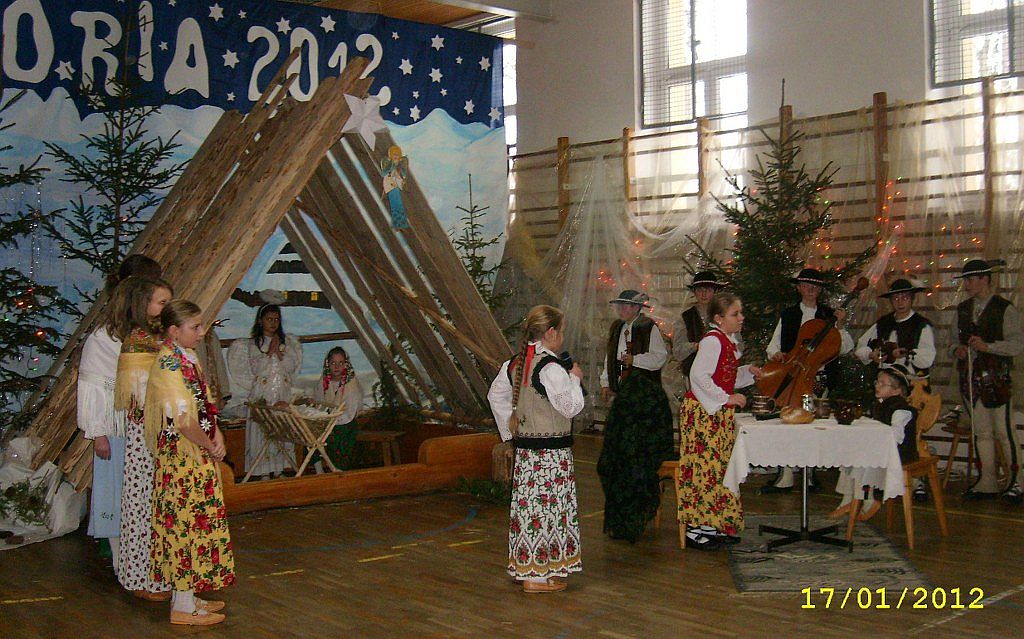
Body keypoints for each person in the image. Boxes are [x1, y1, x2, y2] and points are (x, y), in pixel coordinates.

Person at [145, 300, 235, 626]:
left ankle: (187, 595)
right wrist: (209, 444)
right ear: (174, 330)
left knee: (197, 525)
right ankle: (182, 605)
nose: (201, 332)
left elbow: (204, 405)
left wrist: (216, 433)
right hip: (182, 459)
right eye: (194, 327)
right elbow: (183, 420)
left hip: (195, 455)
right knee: (185, 527)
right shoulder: (168, 365)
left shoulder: (187, 357)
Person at [487, 305, 584, 593]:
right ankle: (536, 577)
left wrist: (510, 433)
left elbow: (495, 396)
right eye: (561, 331)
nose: (562, 337)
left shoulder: (515, 363)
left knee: (530, 510)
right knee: (548, 511)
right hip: (551, 456)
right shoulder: (551, 367)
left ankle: (530, 569)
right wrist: (575, 378)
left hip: (528, 455)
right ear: (551, 332)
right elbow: (570, 407)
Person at [77, 261, 158, 577]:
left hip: (145, 427)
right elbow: (92, 387)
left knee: (142, 495)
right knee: (116, 492)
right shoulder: (104, 339)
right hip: (117, 428)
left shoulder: (147, 335)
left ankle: (143, 561)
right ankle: (121, 561)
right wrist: (98, 432)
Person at [678, 292, 762, 550]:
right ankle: (696, 528)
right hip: (703, 414)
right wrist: (726, 398)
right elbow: (699, 377)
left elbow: (723, 376)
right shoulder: (713, 341)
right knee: (704, 468)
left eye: (740, 313)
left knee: (717, 469)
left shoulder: (726, 341)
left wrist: (748, 373)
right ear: (719, 318)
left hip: (715, 413)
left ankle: (712, 523)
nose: (741, 318)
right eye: (735, 314)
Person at [762, 267, 853, 494]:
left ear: (820, 289)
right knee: (787, 423)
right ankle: (785, 474)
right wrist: (776, 354)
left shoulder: (830, 315)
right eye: (805, 285)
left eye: (815, 285)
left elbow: (846, 347)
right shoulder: (789, 314)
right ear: (799, 288)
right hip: (793, 375)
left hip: (818, 377)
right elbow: (773, 345)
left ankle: (810, 474)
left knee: (814, 425)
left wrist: (840, 326)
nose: (810, 289)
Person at [112, 276, 173, 600]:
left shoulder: (156, 337)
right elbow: (138, 394)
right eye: (161, 302)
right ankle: (141, 578)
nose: (166, 307)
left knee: (156, 504)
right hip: (147, 432)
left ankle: (156, 577)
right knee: (143, 504)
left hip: (160, 429)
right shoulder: (138, 340)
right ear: (143, 304)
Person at [597, 289, 674, 543]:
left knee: (637, 459)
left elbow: (659, 358)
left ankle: (637, 514)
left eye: (627, 306)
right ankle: (620, 516)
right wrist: (607, 382)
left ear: (637, 308)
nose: (622, 310)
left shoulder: (648, 328)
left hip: (644, 404)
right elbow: (609, 357)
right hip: (624, 401)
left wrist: (635, 360)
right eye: (620, 306)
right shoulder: (617, 329)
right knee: (616, 459)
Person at [950, 259, 1023, 502]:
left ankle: (1018, 481)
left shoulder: (1004, 308)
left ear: (985, 279)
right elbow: (952, 342)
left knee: (1004, 431)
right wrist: (958, 350)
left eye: (971, 280)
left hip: (997, 379)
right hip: (971, 378)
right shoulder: (962, 309)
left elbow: (1017, 344)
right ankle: (987, 481)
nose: (967, 285)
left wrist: (989, 347)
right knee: (981, 432)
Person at [830, 364, 918, 521]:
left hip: (899, 453)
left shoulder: (900, 410)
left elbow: (896, 436)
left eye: (883, 384)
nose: (877, 386)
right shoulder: (880, 405)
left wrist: (875, 441)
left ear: (897, 391)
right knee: (850, 455)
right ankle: (848, 498)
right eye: (877, 382)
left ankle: (868, 499)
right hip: (883, 450)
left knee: (862, 460)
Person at [227, 304, 304, 478]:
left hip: (281, 392)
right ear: (261, 321)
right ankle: (263, 471)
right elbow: (257, 368)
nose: (273, 323)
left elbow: (291, 366)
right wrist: (270, 351)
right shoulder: (255, 344)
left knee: (280, 429)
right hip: (263, 393)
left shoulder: (287, 342)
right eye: (269, 319)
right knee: (262, 430)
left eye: (276, 319)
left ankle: (279, 469)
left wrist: (280, 352)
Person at [855, 278, 936, 378]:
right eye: (896, 298)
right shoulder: (883, 323)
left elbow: (928, 357)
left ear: (912, 299)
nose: (900, 302)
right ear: (891, 301)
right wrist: (871, 355)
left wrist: (906, 353)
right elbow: (861, 346)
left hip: (912, 380)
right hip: (884, 380)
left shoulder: (921, 325)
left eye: (905, 298)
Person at [310, 347, 363, 471]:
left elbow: (351, 411)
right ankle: (319, 471)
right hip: (328, 420)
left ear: (346, 364)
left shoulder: (351, 384)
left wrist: (333, 420)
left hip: (346, 422)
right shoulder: (324, 382)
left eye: (340, 363)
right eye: (333, 363)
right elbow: (320, 404)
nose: (337, 367)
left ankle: (339, 468)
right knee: (312, 434)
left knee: (338, 436)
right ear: (328, 364)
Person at [672, 271, 725, 380]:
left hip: (722, 372)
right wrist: (695, 346)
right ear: (694, 292)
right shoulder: (686, 317)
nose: (704, 294)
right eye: (700, 290)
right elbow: (678, 351)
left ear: (715, 292)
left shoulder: (725, 315)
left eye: (708, 290)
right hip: (695, 374)